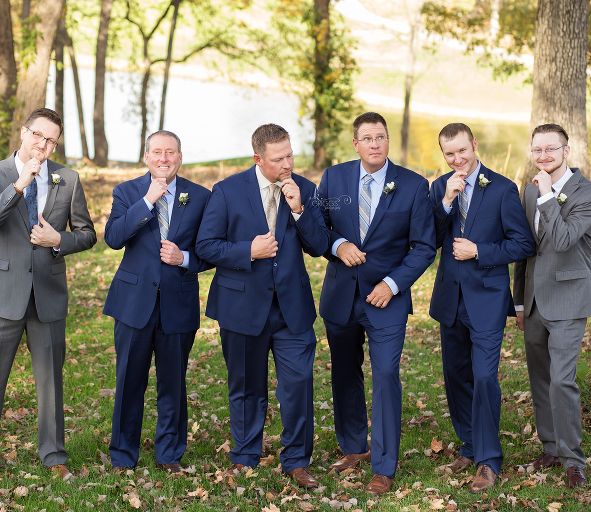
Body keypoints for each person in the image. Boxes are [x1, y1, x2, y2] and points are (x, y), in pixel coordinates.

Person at [195, 124, 330, 488]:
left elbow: (319, 246)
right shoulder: (226, 191)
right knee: (245, 385)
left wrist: (299, 209)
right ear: (258, 158)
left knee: (299, 384)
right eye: (278, 159)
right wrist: (247, 251)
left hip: (292, 309)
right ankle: (244, 455)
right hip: (241, 306)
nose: (287, 164)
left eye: (290, 155)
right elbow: (206, 246)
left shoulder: (306, 189)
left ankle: (297, 460)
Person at [0, 108, 97, 480]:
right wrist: (19, 184)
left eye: (51, 139)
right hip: (1, 293)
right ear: (24, 133)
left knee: (51, 383)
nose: (43, 144)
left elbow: (87, 234)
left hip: (48, 294)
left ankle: (54, 455)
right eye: (38, 135)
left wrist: (60, 240)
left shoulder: (67, 178)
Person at [317, 112, 436, 495]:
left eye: (380, 137)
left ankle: (384, 467)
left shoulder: (414, 185)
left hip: (387, 300)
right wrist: (338, 245)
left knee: (385, 375)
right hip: (341, 294)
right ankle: (354, 447)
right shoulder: (334, 178)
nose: (374, 143)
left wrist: (393, 283)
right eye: (366, 138)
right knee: (345, 372)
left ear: (388, 141)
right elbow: (318, 228)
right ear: (355, 144)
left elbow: (423, 247)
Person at [428, 123, 534, 492]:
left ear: (474, 145)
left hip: (487, 299)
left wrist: (481, 252)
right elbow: (429, 235)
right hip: (450, 299)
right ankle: (469, 445)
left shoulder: (503, 188)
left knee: (485, 377)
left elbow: (523, 244)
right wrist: (444, 202)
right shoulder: (440, 185)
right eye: (449, 154)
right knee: (456, 376)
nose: (457, 159)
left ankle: (489, 461)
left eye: (462, 150)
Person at [103, 131, 212, 474]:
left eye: (171, 152)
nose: (164, 158)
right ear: (146, 156)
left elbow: (211, 250)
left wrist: (184, 258)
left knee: (173, 383)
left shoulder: (201, 197)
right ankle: (122, 455)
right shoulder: (127, 193)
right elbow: (113, 238)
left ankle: (169, 454)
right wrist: (148, 201)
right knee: (129, 381)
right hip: (134, 303)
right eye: (157, 152)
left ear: (180, 157)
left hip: (178, 304)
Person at [513, 123, 591, 489]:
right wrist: (518, 301)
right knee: (540, 378)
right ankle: (550, 446)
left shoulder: (588, 193)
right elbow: (524, 249)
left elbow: (565, 240)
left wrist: (550, 195)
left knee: (562, 381)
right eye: (537, 150)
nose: (543, 156)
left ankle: (573, 459)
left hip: (569, 297)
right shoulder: (528, 192)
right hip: (534, 299)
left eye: (551, 149)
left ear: (567, 151)